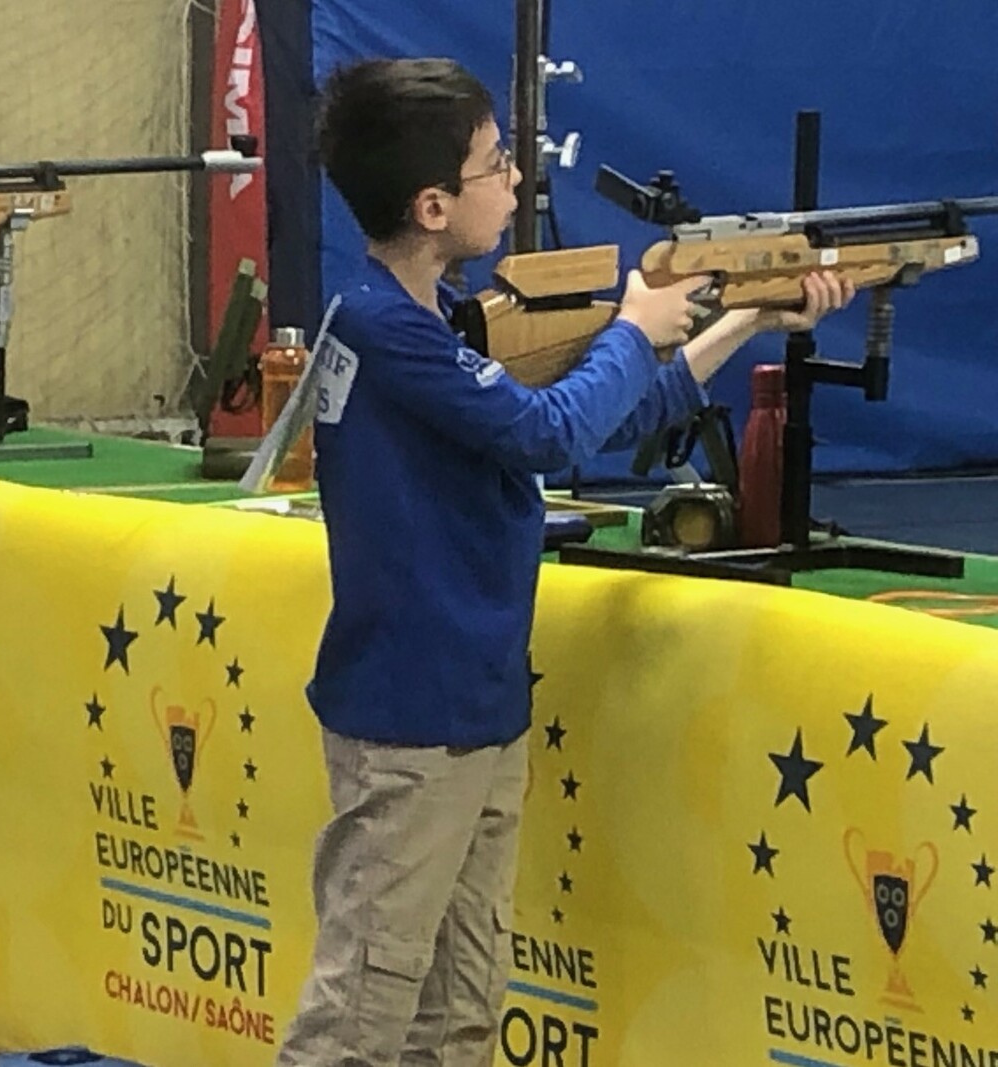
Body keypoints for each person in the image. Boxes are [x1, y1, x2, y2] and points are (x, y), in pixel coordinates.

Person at [275, 57, 853, 1066]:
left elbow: (609, 413)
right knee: (360, 1016)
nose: (514, 180)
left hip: (475, 708)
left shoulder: (426, 318)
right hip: (413, 720)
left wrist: (748, 316)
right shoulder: (383, 327)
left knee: (460, 1008)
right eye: (496, 164)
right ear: (431, 206)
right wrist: (632, 328)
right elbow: (550, 434)